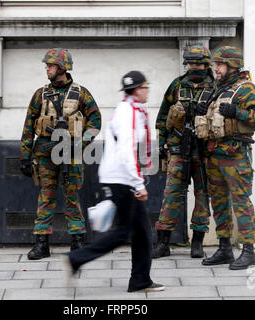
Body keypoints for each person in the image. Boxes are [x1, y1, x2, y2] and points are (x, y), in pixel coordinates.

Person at [64, 71, 165, 293]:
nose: (148, 90)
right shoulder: (128, 113)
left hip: (119, 176)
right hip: (122, 179)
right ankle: (77, 258)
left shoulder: (130, 110)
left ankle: (140, 280)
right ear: (138, 89)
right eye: (146, 87)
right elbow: (127, 151)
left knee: (138, 232)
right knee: (127, 232)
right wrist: (138, 184)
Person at [20, 48, 101, 260]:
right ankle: (41, 243)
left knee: (72, 197)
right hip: (46, 153)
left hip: (72, 153)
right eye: (47, 65)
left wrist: (80, 143)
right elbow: (28, 125)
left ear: (62, 67)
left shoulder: (81, 93)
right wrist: (25, 156)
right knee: (46, 196)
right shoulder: (41, 94)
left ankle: (78, 241)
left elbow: (95, 122)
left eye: (51, 65)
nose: (47, 69)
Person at [195, 46, 255, 270]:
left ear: (232, 65)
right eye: (215, 64)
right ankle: (225, 248)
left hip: (236, 156)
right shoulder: (217, 90)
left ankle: (248, 252)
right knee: (219, 203)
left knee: (241, 203)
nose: (215, 69)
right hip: (214, 155)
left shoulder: (247, 90)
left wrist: (238, 113)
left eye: (220, 65)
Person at [153, 45, 214, 259]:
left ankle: (197, 242)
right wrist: (161, 145)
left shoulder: (215, 88)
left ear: (207, 65)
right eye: (190, 63)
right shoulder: (177, 85)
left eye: (198, 63)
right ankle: (163, 243)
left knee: (202, 195)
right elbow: (162, 118)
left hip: (204, 151)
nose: (193, 67)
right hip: (178, 148)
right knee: (171, 195)